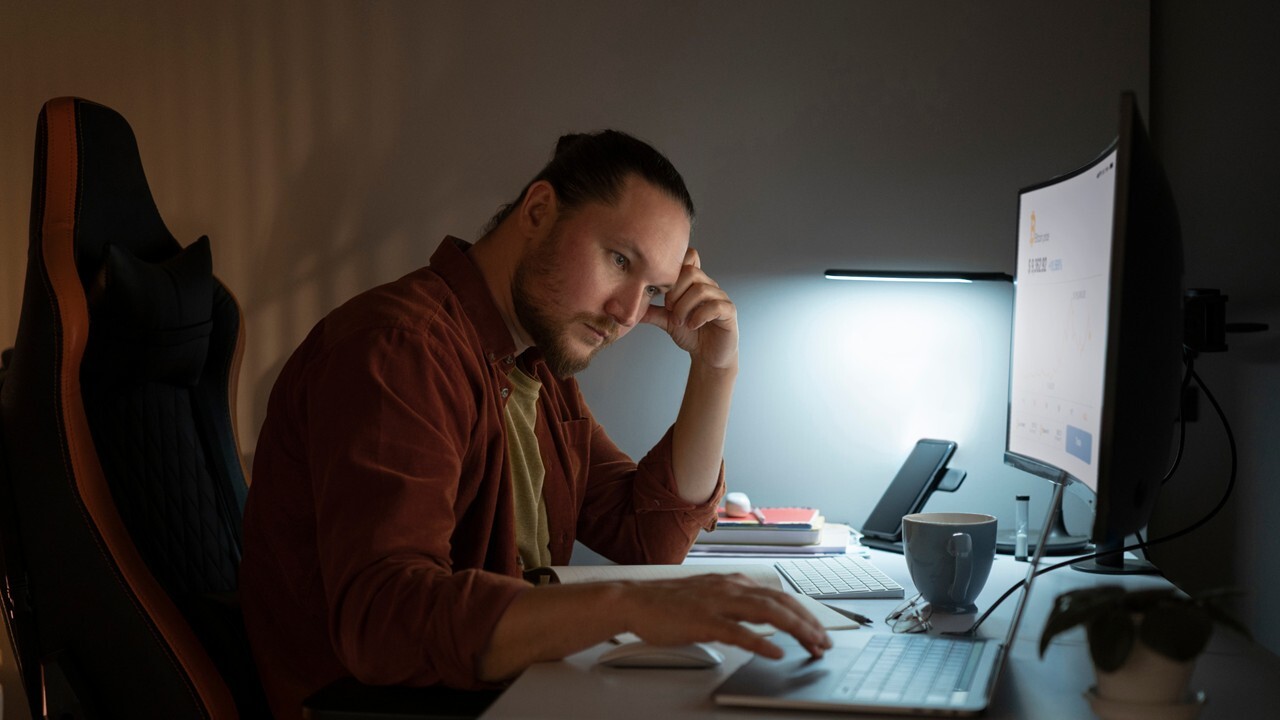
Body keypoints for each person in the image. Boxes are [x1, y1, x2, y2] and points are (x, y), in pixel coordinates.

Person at [239, 130, 831, 718]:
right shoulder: (402, 350)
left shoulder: (534, 370)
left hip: (498, 694)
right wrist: (624, 606)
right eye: (619, 260)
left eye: (652, 288)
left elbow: (648, 537)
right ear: (540, 211)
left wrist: (715, 367)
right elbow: (385, 619)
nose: (627, 313)